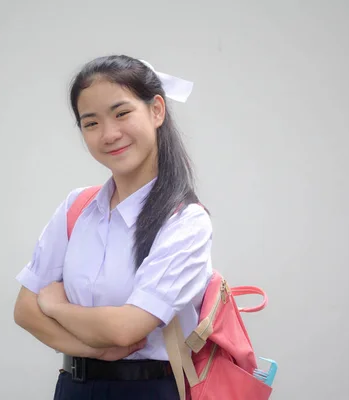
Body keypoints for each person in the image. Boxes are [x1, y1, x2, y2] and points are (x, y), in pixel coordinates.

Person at [13, 54, 213, 399]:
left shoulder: (186, 221)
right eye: (91, 123)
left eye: (122, 114)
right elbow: (25, 310)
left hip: (149, 390)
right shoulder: (77, 207)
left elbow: (126, 329)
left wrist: (56, 306)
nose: (109, 134)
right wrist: (95, 351)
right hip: (73, 388)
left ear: (156, 111)